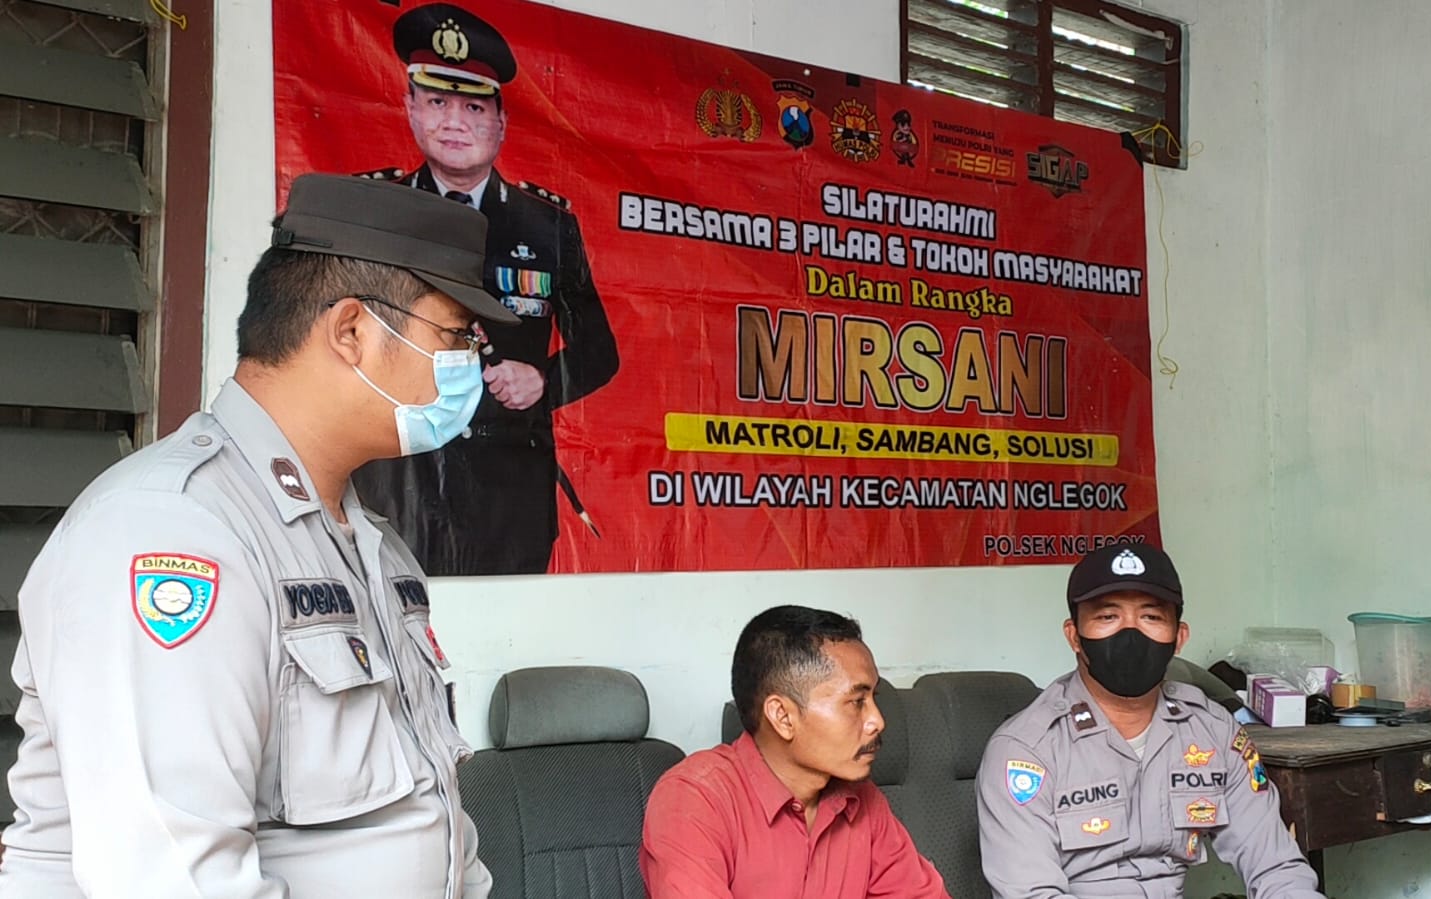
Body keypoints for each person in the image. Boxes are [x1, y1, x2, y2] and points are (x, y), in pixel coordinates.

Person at [0, 173, 516, 898]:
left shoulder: (370, 543)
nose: (471, 361)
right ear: (351, 331)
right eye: (454, 334)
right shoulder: (175, 531)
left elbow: (434, 816)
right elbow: (176, 878)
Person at [352, 2, 619, 576]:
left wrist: (542, 381)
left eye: (473, 106)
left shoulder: (547, 226)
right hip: (398, 484)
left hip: (508, 494)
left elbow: (600, 351)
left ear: (501, 121)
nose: (454, 122)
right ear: (410, 107)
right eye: (437, 102)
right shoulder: (374, 213)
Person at [976, 544, 1326, 899]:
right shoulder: (1027, 749)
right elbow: (1031, 895)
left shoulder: (1213, 730)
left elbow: (1276, 866)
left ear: (1179, 637)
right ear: (1074, 636)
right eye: (1107, 617)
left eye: (1151, 617)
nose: (1130, 633)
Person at [641, 605, 949, 899]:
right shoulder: (695, 798)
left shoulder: (863, 800)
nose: (877, 721)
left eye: (873, 699)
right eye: (857, 702)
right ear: (783, 717)